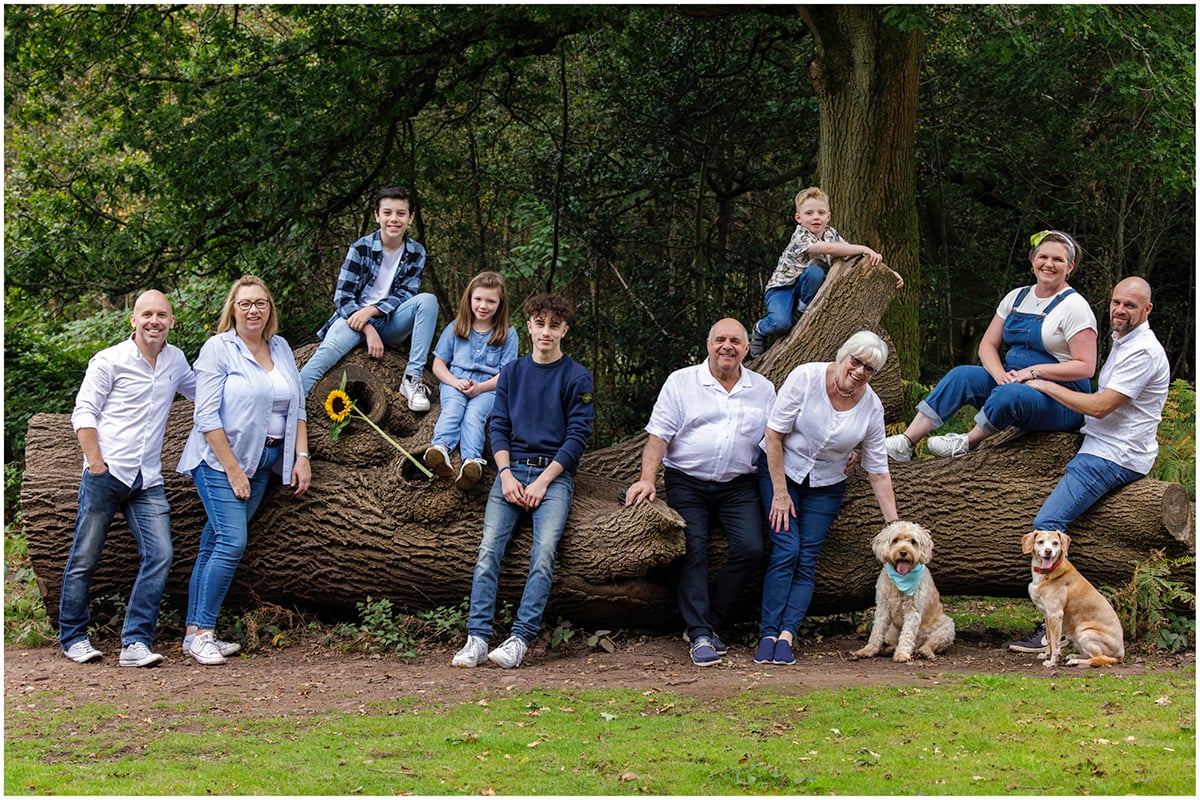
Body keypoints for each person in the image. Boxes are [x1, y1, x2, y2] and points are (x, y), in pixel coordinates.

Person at [1008, 276, 1170, 653]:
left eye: (1130, 305)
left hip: (1113, 455)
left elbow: (1099, 406)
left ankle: (1054, 626)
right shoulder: (1122, 340)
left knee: (1047, 524)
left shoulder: (1144, 350)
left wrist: (1042, 381)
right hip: (1100, 442)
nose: (1120, 310)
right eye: (1116, 302)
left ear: (1147, 310)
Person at [451, 293, 594, 669]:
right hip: (510, 471)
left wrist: (543, 482)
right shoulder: (513, 372)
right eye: (539, 323)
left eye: (554, 325)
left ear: (564, 330)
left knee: (544, 555)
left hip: (553, 478)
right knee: (487, 553)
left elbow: (577, 438)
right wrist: (506, 474)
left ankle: (519, 638)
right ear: (528, 326)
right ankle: (477, 638)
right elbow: (497, 426)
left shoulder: (577, 376)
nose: (545, 332)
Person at [624, 319, 776, 666]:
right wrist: (648, 478)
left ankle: (711, 620)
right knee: (693, 549)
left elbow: (779, 438)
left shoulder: (763, 389)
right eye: (720, 339)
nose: (728, 346)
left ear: (746, 348)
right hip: (687, 481)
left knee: (751, 548)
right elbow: (658, 437)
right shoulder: (682, 382)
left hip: (739, 485)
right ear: (708, 344)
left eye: (735, 341)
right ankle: (700, 634)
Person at [178, 276, 311, 665]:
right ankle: (205, 632)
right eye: (245, 303)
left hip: (266, 461)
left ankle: (192, 634)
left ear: (270, 308)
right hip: (220, 461)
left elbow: (297, 407)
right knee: (232, 542)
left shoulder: (281, 347)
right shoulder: (218, 349)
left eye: (261, 303)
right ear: (232, 309)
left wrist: (301, 456)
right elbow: (204, 415)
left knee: (214, 542)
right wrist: (233, 470)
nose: (253, 310)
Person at [59, 290, 197, 667]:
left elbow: (203, 392)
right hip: (106, 474)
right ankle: (72, 637)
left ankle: (135, 643)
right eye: (147, 314)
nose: (155, 321)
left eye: (162, 315)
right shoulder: (109, 360)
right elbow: (84, 413)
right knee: (85, 557)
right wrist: (97, 464)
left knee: (161, 554)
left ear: (171, 321)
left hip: (147, 479)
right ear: (133, 320)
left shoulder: (176, 360)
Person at [885, 230, 1098, 461]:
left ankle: (967, 442)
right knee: (962, 375)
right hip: (1014, 381)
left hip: (1063, 400)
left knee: (1010, 393)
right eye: (1043, 257)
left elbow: (1086, 367)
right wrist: (999, 375)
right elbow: (987, 344)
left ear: (1070, 266)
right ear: (1033, 260)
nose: (1049, 264)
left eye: (1058, 260)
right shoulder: (1016, 297)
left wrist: (1034, 372)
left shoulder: (1075, 307)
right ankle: (906, 442)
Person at [755, 331, 900, 666]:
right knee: (786, 549)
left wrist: (894, 525)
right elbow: (773, 435)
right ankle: (766, 633)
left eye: (869, 368)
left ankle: (787, 636)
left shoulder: (871, 406)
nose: (860, 371)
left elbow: (877, 470)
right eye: (857, 361)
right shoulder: (805, 377)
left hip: (828, 482)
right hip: (782, 471)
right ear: (843, 355)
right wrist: (779, 493)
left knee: (806, 558)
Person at [298, 186, 439, 412]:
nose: (394, 219)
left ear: (410, 218)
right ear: (377, 215)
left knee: (428, 301)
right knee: (327, 354)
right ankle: (291, 404)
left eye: (401, 213)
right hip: (352, 320)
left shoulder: (416, 252)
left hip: (390, 321)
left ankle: (412, 379)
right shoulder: (360, 248)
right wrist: (366, 327)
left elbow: (406, 293)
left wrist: (372, 312)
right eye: (387, 212)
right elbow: (343, 298)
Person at [749, 187, 900, 358]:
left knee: (816, 273)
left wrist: (890, 274)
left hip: (803, 287)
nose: (815, 217)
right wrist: (866, 248)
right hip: (781, 289)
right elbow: (830, 249)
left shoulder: (830, 234)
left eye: (821, 213)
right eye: (809, 213)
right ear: (798, 218)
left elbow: (850, 252)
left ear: (828, 216)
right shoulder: (800, 235)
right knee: (780, 323)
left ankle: (800, 311)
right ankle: (759, 328)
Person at [423, 272, 519, 490]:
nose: (483, 305)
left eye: (491, 301)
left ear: (500, 303)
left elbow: (506, 374)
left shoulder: (508, 334)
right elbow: (438, 365)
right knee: (453, 409)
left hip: (489, 388)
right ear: (469, 299)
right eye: (478, 299)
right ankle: (440, 449)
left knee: (474, 415)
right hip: (454, 382)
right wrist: (455, 383)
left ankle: (471, 462)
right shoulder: (456, 327)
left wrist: (481, 388)